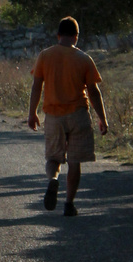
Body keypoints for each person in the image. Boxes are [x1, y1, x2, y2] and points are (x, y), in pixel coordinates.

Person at [27, 16, 108, 217]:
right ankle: (69, 204)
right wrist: (102, 118)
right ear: (76, 36)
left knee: (53, 158)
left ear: (58, 35)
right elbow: (93, 92)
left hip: (53, 116)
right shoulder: (83, 59)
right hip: (78, 115)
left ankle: (53, 180)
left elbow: (37, 86)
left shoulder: (45, 56)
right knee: (74, 161)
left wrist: (32, 113)